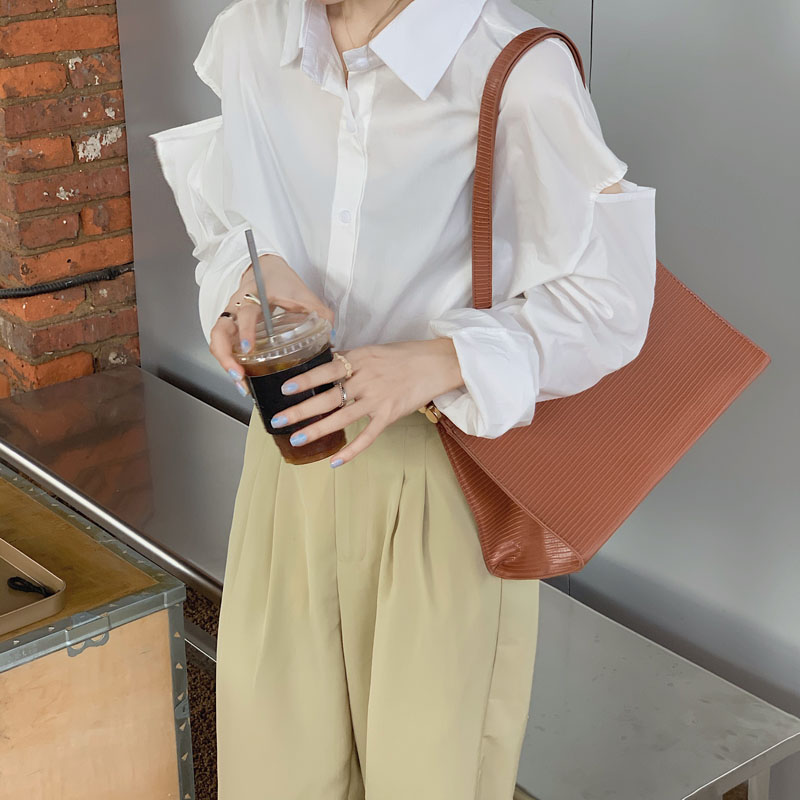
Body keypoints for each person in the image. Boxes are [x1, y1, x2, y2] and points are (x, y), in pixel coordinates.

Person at [150, 0, 657, 796]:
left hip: (442, 478)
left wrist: (438, 360)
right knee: (274, 771)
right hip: (287, 461)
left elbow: (608, 302)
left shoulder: (513, 66)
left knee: (428, 777)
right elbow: (225, 221)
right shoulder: (254, 34)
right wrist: (247, 279)